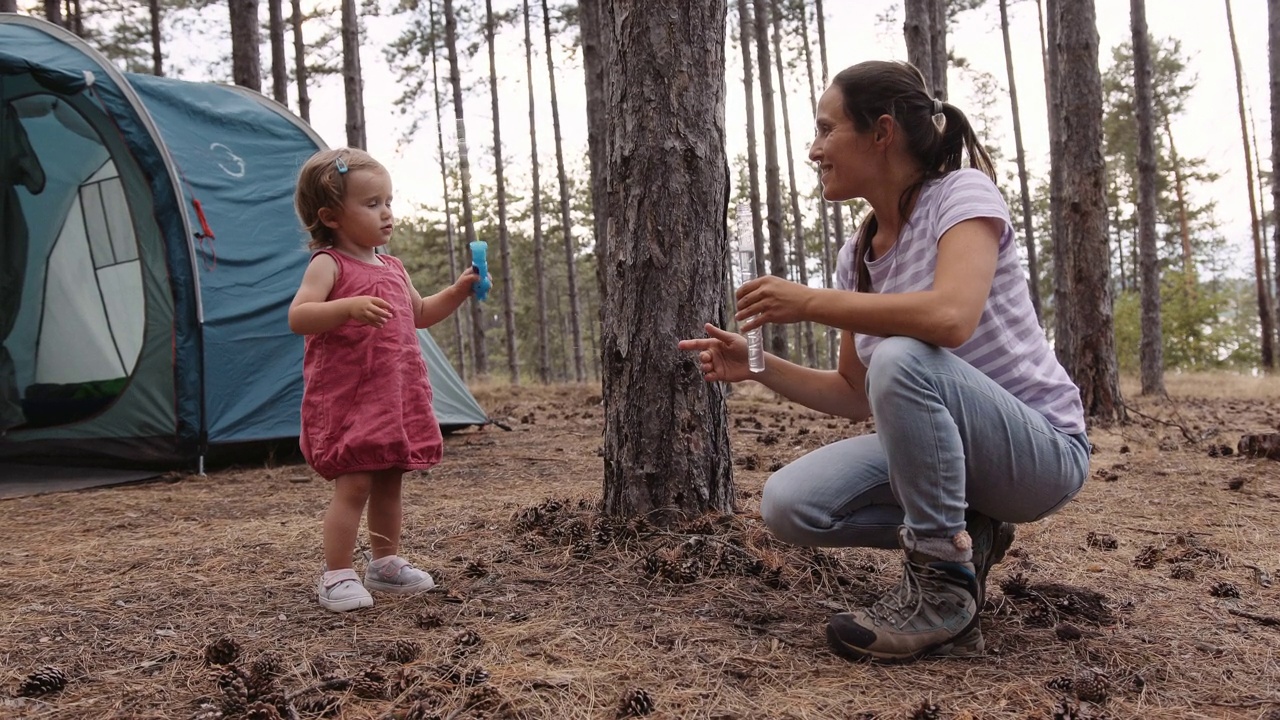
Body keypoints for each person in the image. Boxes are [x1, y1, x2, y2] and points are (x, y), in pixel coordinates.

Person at [679, 61, 1089, 662]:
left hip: (1039, 451)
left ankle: (943, 594)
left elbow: (951, 317)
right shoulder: (860, 257)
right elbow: (853, 391)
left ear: (882, 132)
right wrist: (758, 366)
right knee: (792, 504)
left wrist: (812, 302)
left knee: (902, 353)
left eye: (826, 129)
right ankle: (963, 535)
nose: (814, 149)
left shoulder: (962, 194)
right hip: (951, 454)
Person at [289, 147, 481, 612]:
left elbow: (418, 314)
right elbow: (300, 316)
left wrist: (456, 291)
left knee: (392, 479)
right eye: (372, 204)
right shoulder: (328, 264)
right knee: (354, 484)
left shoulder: (392, 266)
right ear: (331, 216)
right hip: (351, 395)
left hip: (393, 395)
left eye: (388, 201)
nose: (386, 213)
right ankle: (336, 575)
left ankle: (385, 562)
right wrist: (346, 307)